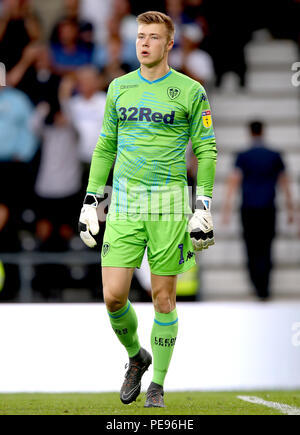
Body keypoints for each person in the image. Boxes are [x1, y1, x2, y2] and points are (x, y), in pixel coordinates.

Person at [78, 11, 217, 408]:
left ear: (169, 44)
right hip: (122, 204)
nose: (144, 43)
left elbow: (206, 149)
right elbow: (105, 146)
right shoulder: (119, 88)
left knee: (163, 299)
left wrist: (202, 204)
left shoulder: (191, 91)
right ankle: (137, 356)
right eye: (140, 36)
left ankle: (156, 383)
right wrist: (92, 199)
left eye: (154, 37)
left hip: (169, 206)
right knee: (113, 297)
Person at [222, 120, 294, 301]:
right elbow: (284, 183)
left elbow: (234, 181)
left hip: (249, 208)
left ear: (250, 133)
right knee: (266, 246)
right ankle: (264, 287)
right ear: (263, 131)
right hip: (268, 207)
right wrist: (291, 209)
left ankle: (256, 283)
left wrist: (227, 209)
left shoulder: (243, 156)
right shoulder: (274, 155)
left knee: (251, 247)